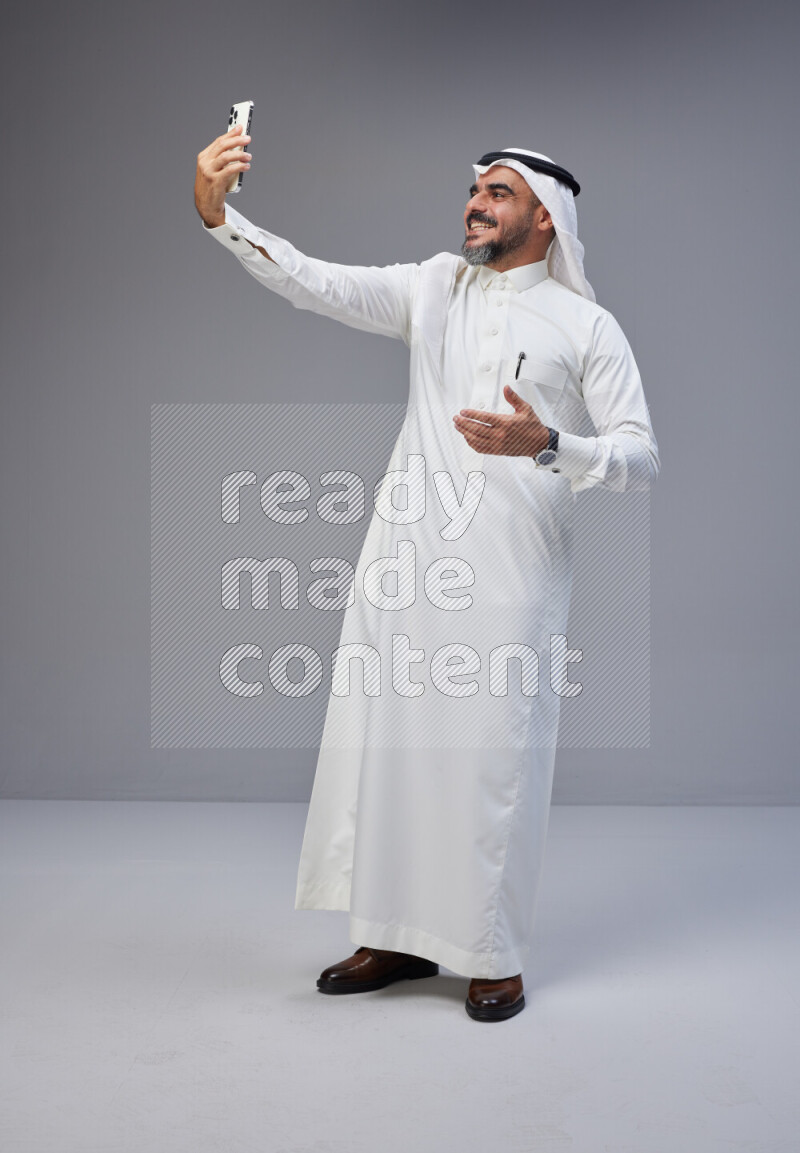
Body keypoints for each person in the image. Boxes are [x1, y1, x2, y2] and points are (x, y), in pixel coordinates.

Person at [194, 127, 659, 1022]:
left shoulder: (586, 326)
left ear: (546, 219)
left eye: (497, 193)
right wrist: (222, 219)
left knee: (492, 759)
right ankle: (395, 936)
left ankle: (493, 954)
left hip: (511, 573)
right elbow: (315, 281)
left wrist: (550, 442)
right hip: (406, 565)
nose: (475, 204)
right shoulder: (435, 287)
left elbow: (641, 457)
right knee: (392, 750)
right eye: (475, 190)